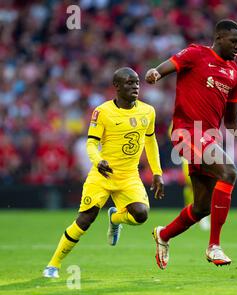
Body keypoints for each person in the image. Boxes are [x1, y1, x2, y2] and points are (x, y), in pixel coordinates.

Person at [145, 19, 237, 268]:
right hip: (186, 132)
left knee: (202, 207)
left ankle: (163, 235)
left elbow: (232, 123)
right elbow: (169, 66)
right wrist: (156, 73)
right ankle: (214, 246)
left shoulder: (235, 75)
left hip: (208, 138)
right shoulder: (196, 54)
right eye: (234, 41)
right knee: (229, 171)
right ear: (219, 37)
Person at [43, 67, 164, 278]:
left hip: (129, 176)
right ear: (116, 87)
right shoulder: (102, 111)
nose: (135, 86)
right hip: (103, 174)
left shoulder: (148, 111)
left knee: (141, 215)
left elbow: (150, 141)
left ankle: (115, 219)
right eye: (129, 83)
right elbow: (91, 144)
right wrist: (98, 162)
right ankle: (53, 264)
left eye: (136, 82)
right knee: (85, 220)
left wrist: (157, 172)